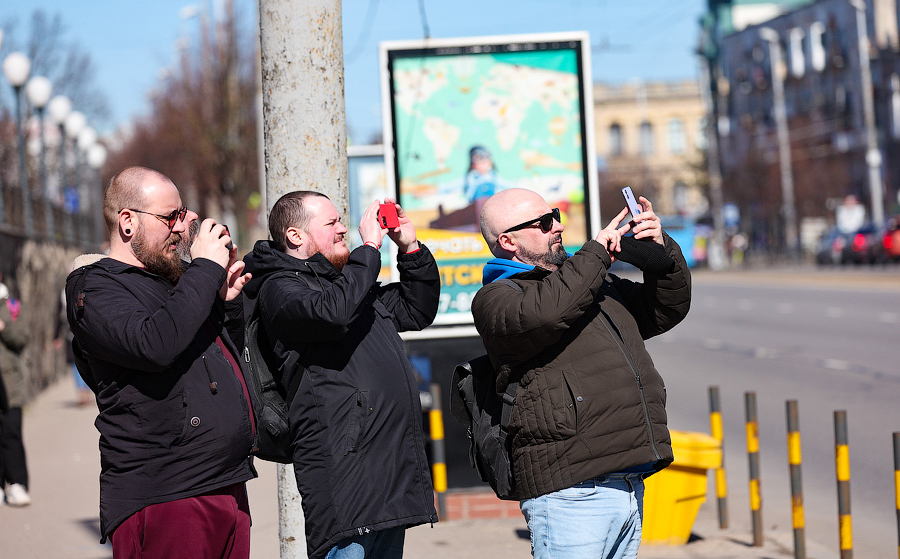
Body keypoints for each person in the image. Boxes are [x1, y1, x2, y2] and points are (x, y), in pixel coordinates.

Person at [470, 188, 691, 559]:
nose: (557, 226)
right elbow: (548, 311)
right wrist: (596, 254)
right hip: (569, 490)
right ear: (508, 241)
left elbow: (663, 310)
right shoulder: (497, 299)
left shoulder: (588, 283)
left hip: (626, 479)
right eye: (543, 222)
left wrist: (659, 252)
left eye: (554, 214)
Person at [65, 167, 256, 559]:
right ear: (128, 221)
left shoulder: (177, 280)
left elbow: (216, 360)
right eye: (170, 217)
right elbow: (156, 344)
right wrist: (204, 270)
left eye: (183, 214)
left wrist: (226, 301)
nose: (183, 227)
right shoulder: (96, 288)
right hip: (167, 496)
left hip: (225, 485)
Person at [241, 191, 440, 559]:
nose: (342, 229)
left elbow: (416, 309)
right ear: (295, 236)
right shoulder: (279, 289)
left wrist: (410, 249)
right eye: (331, 222)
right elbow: (331, 313)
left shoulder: (348, 287)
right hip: (344, 471)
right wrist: (368, 248)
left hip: (387, 470)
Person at [0, 270, 31, 507]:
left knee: (11, 433)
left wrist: (3, 327)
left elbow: (21, 337)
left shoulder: (10, 305)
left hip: (9, 384)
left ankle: (18, 484)